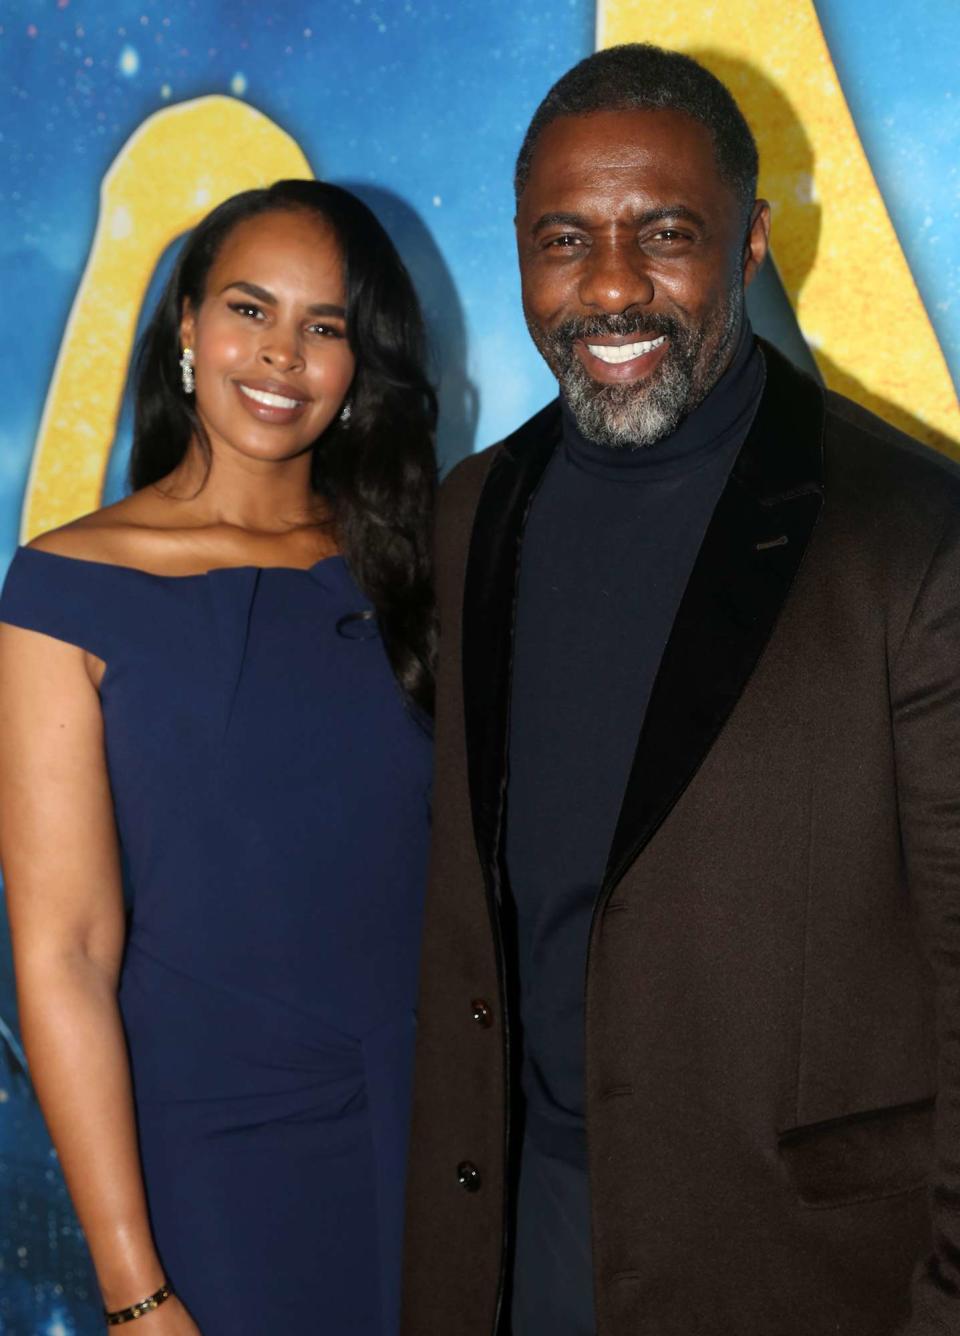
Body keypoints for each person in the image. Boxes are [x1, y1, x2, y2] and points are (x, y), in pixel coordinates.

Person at [401, 43, 960, 1336]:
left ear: (752, 242)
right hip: (521, 1239)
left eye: (664, 234)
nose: (609, 288)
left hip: (798, 1276)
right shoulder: (477, 511)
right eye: (564, 240)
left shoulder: (912, 540)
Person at [0, 178, 436, 1335]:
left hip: (441, 1131)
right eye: (250, 308)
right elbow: (64, 956)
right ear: (185, 322)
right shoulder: (62, 586)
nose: (282, 355)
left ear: (358, 365)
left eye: (325, 327)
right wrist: (134, 1284)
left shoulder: (418, 559)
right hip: (215, 1158)